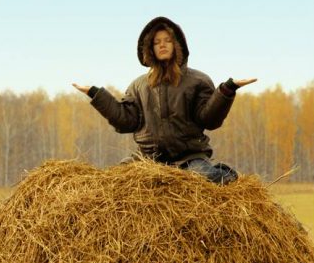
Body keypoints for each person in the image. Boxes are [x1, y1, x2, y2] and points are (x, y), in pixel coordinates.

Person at [72, 16, 257, 185]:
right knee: (114, 181)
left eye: (168, 40)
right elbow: (126, 122)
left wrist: (227, 90)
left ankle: (225, 174)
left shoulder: (197, 80)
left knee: (207, 178)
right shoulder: (139, 85)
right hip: (147, 158)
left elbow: (209, 120)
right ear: (149, 48)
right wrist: (96, 94)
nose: (162, 45)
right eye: (157, 42)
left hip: (188, 158)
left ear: (177, 45)